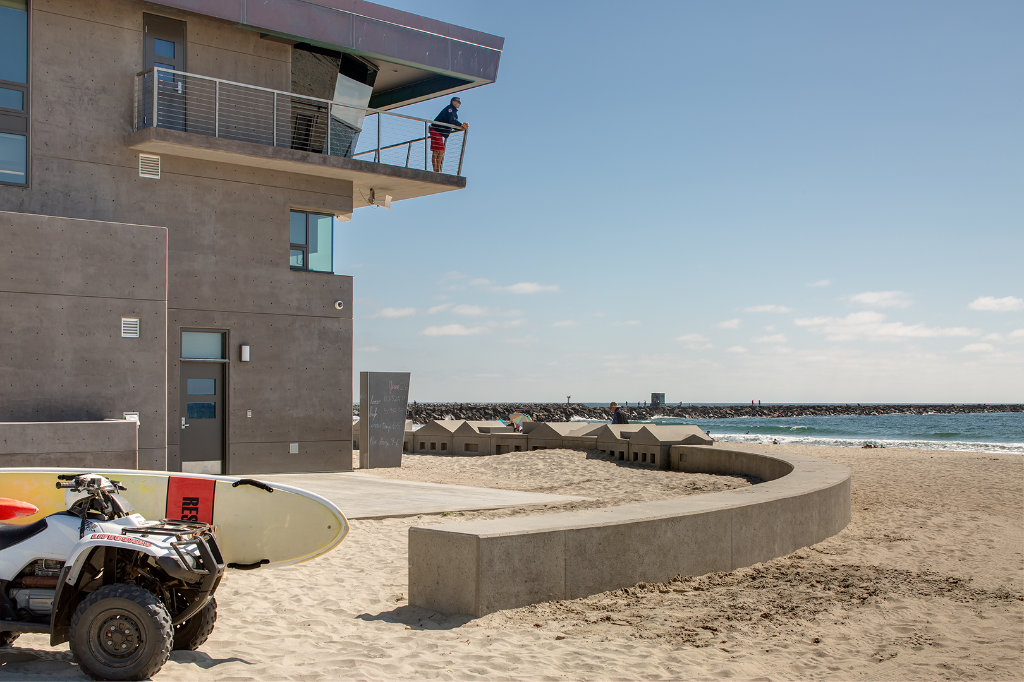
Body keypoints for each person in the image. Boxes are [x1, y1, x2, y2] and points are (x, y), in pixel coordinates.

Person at [430, 96, 468, 173]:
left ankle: (437, 169)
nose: (459, 104)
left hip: (438, 131)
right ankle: (437, 170)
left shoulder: (454, 112)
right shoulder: (450, 109)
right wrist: (461, 125)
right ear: (453, 102)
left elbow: (453, 124)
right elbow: (451, 120)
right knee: (440, 150)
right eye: (458, 102)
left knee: (438, 150)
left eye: (460, 102)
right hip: (436, 129)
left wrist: (462, 127)